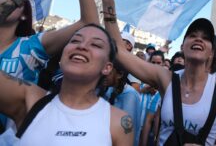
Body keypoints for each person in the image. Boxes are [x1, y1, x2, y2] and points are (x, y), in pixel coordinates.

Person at [98, 0, 216, 145]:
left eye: (206, 38)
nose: (198, 39)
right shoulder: (165, 79)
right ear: (182, 46)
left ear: (212, 53)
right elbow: (119, 52)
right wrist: (108, 2)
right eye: (192, 35)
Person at [0, 24, 133, 145]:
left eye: (96, 45)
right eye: (75, 40)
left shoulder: (118, 122)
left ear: (107, 67)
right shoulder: (31, 99)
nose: (81, 46)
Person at [105, 62, 141, 146]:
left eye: (109, 71)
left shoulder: (130, 95)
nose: (104, 73)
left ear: (119, 74)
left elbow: (128, 131)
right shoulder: (109, 90)